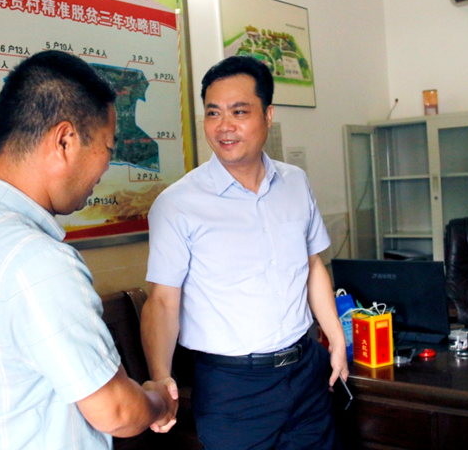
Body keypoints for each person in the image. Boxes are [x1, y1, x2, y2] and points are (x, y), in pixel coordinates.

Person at [0, 50, 177, 450]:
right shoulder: (37, 261)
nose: (105, 167)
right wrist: (159, 403)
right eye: (108, 148)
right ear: (65, 140)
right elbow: (116, 411)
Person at [141, 55, 348, 450]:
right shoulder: (178, 204)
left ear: (267, 115)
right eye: (213, 113)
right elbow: (163, 301)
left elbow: (312, 265)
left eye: (239, 112)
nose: (224, 126)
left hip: (306, 372)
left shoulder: (295, 182)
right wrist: (161, 375)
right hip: (233, 388)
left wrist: (336, 339)